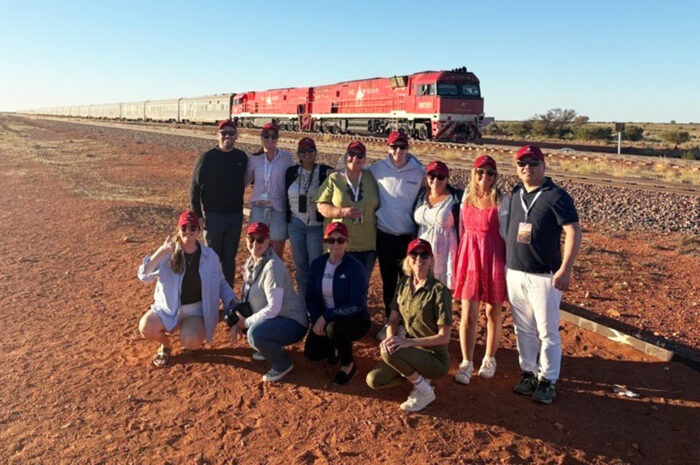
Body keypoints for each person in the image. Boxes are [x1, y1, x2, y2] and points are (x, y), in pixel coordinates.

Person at [506, 145, 582, 404]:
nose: (527, 167)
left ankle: (548, 379)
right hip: (515, 271)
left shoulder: (556, 196)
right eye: (522, 163)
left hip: (544, 275)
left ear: (543, 165)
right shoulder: (516, 193)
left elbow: (573, 231)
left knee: (547, 331)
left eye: (533, 163)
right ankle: (529, 372)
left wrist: (566, 268)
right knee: (522, 328)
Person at [137, 210, 236, 367]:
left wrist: (232, 301)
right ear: (178, 229)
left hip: (194, 310)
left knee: (191, 343)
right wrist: (161, 252)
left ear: (199, 230)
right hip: (167, 309)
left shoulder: (210, 256)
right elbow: (144, 275)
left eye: (193, 228)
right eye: (184, 228)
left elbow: (221, 283)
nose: (188, 232)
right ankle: (166, 345)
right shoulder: (167, 253)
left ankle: (209, 317)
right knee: (146, 327)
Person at [366, 239, 453, 412]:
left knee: (389, 351)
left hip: (434, 357)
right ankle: (417, 376)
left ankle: (425, 391)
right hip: (408, 352)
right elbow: (392, 320)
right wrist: (392, 338)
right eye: (414, 254)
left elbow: (444, 337)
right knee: (374, 380)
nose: (418, 259)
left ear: (431, 261)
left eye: (424, 255)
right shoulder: (403, 284)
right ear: (408, 259)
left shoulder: (439, 291)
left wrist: (407, 343)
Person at [452, 155, 510, 384]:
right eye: (480, 172)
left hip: (494, 257)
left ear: (495, 177)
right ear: (473, 174)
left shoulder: (502, 201)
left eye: (489, 173)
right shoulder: (466, 197)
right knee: (468, 313)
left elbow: (505, 233)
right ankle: (467, 361)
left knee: (492, 311)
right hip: (470, 256)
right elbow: (462, 229)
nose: (484, 176)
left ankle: (489, 357)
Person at [228, 222, 308, 382]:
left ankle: (282, 365)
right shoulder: (251, 261)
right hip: (275, 318)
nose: (255, 244)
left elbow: (274, 308)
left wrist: (246, 322)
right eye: (251, 239)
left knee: (255, 334)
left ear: (268, 241)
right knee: (231, 314)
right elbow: (246, 295)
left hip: (292, 322)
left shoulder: (272, 267)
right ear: (246, 240)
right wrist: (236, 321)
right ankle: (267, 346)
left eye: (260, 240)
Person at [369, 131, 425, 339]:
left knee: (410, 282)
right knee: (389, 282)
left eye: (402, 147)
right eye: (394, 147)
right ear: (387, 147)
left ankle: (408, 325)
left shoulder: (418, 172)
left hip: (408, 239)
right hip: (385, 236)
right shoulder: (377, 169)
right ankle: (390, 323)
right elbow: (348, 169)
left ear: (408, 148)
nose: (398, 151)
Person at [304, 222, 370, 385]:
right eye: (331, 240)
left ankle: (348, 365)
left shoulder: (355, 267)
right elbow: (310, 296)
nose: (336, 245)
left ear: (347, 242)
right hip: (325, 318)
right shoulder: (318, 264)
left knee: (335, 328)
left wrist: (326, 316)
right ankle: (334, 346)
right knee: (313, 354)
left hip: (354, 318)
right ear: (325, 242)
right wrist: (317, 318)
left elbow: (357, 304)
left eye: (340, 240)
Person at [189, 119, 248, 285]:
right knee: (212, 260)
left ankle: (228, 297)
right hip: (213, 217)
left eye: (231, 133)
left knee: (229, 260)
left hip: (235, 217)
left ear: (237, 136)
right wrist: (198, 215)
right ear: (218, 135)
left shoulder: (241, 157)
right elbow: (194, 188)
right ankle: (211, 294)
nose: (227, 136)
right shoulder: (207, 158)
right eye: (223, 133)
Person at [315, 140, 379, 283]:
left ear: (365, 159)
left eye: (360, 155)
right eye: (352, 154)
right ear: (346, 156)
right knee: (337, 286)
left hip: (367, 245)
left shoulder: (371, 178)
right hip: (339, 244)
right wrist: (342, 212)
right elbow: (321, 206)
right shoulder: (334, 178)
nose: (355, 158)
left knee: (361, 286)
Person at [285, 137, 333, 297]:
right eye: (303, 151)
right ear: (298, 154)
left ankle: (315, 300)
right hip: (295, 224)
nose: (306, 154)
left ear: (315, 153)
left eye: (310, 150)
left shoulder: (325, 171)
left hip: (315, 227)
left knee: (315, 265)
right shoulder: (291, 172)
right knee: (300, 266)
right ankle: (303, 300)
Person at [245, 123, 295, 258]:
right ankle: (258, 277)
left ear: (278, 138)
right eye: (266, 136)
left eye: (274, 136)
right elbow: (245, 181)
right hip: (258, 208)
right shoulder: (254, 159)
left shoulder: (286, 158)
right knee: (257, 248)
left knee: (277, 251)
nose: (270, 139)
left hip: (278, 209)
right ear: (261, 137)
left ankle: (274, 276)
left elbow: (295, 177)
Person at [412, 160, 463, 290]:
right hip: (422, 253)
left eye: (440, 177)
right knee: (422, 289)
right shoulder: (421, 195)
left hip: (445, 255)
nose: (436, 180)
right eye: (432, 176)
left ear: (447, 179)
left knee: (442, 294)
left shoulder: (456, 198)